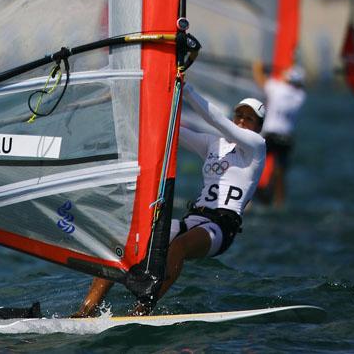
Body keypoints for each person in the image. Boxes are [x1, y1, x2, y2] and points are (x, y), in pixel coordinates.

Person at [72, 84, 266, 317]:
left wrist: (186, 88)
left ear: (258, 127)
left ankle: (142, 310)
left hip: (221, 228)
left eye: (250, 119)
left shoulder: (257, 147)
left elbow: (217, 120)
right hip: (194, 218)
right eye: (239, 115)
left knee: (179, 246)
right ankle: (85, 311)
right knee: (124, 243)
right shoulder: (215, 144)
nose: (242, 121)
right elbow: (169, 129)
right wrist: (134, 100)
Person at [252, 61, 307, 208]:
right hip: (287, 139)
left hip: (270, 135)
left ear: (288, 79)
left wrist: (257, 67)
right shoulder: (301, 96)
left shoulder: (277, 88)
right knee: (280, 173)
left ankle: (248, 202)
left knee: (253, 167)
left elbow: (260, 79)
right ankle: (279, 203)